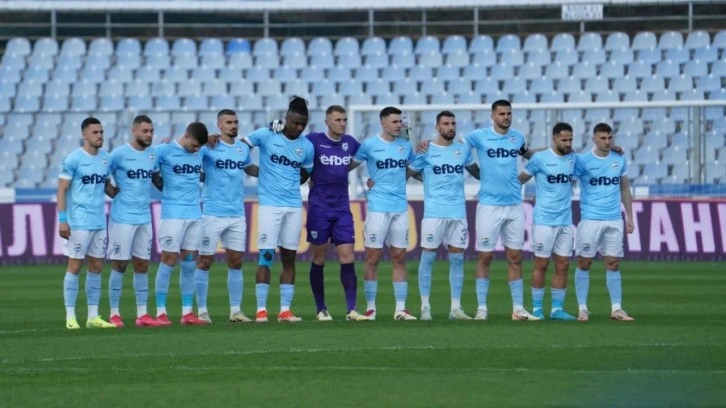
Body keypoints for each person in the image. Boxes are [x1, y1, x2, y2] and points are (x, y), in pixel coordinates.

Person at [462, 100, 539, 321]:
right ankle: (482, 309)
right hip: (489, 205)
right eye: (502, 114)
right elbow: (456, 148)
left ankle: (518, 309)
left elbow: (531, 156)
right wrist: (428, 145)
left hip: (514, 205)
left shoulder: (517, 137)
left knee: (515, 257)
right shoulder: (479, 136)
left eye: (509, 113)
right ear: (493, 116)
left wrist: (555, 152)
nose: (506, 117)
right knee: (485, 257)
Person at [243, 96, 315, 323]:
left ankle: (285, 310)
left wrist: (289, 180)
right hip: (270, 205)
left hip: (293, 205)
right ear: (286, 118)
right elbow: (241, 146)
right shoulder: (267, 134)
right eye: (295, 122)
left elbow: (305, 172)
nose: (299, 127)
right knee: (266, 255)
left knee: (289, 257)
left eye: (303, 124)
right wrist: (250, 168)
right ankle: (261, 310)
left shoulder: (307, 146)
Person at [408, 111, 480, 320]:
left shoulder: (462, 150)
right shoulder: (426, 151)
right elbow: (407, 173)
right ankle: (425, 307)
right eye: (446, 123)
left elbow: (478, 173)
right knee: (428, 258)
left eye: (453, 123)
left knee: (457, 260)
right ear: (437, 127)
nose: (450, 127)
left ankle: (455, 308)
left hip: (458, 212)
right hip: (434, 213)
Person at [302, 105, 370, 321]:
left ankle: (352, 309)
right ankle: (321, 308)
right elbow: (293, 147)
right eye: (338, 120)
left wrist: (374, 179)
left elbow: (371, 155)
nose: (342, 123)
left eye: (344, 119)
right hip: (319, 209)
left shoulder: (350, 142)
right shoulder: (313, 140)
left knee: (348, 257)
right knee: (319, 258)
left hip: (342, 209)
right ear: (327, 122)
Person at [350, 106, 418, 321]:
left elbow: (412, 170)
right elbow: (348, 166)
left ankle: (400, 309)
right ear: (383, 123)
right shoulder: (369, 145)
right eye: (395, 122)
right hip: (378, 208)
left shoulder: (406, 145)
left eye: (400, 121)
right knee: (373, 258)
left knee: (399, 257)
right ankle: (371, 308)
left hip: (399, 208)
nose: (399, 125)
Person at [194, 109, 258, 324]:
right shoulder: (208, 147)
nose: (233, 126)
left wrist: (275, 170)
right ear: (219, 125)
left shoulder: (242, 149)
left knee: (236, 261)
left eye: (236, 122)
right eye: (229, 122)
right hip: (212, 212)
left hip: (237, 213)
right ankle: (202, 310)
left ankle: (236, 310)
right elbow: (191, 156)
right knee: (205, 260)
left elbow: (249, 169)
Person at [573, 123, 635, 321]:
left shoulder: (619, 158)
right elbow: (566, 179)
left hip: (614, 219)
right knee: (584, 262)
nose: (607, 142)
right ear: (594, 139)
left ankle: (616, 309)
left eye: (610, 138)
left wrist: (630, 216)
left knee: (613, 263)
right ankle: (582, 308)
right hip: (590, 219)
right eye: (603, 138)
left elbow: (624, 187)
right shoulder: (583, 160)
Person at [58, 117, 115, 329]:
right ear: (84, 135)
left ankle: (92, 317)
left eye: (101, 132)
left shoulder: (106, 159)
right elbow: (62, 189)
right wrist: (62, 220)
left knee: (96, 266)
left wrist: (126, 189)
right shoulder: (73, 159)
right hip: (78, 222)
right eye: (95, 132)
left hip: (99, 221)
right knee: (74, 266)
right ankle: (70, 317)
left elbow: (107, 186)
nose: (99, 136)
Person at [106, 115, 162, 327]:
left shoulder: (152, 154)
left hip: (144, 218)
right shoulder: (119, 154)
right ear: (134, 130)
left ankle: (142, 314)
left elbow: (156, 179)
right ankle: (114, 313)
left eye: (151, 131)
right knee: (120, 264)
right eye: (145, 131)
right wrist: (112, 192)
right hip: (122, 219)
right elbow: (102, 175)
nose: (149, 134)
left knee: (142, 264)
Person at [518, 123, 578, 321]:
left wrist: (612, 149)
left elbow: (594, 158)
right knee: (541, 264)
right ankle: (537, 309)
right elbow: (520, 179)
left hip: (565, 220)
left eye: (570, 140)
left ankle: (556, 309)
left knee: (563, 264)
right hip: (544, 220)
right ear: (554, 139)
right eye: (564, 140)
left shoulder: (574, 158)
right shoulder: (539, 159)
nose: (568, 143)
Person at [151, 122, 209, 326]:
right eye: (194, 145)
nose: (196, 150)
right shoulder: (164, 150)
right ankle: (161, 312)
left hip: (194, 214)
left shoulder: (200, 151)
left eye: (199, 147)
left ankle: (187, 313)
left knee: (190, 263)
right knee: (168, 261)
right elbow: (150, 171)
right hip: (173, 215)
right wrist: (166, 190)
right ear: (186, 136)